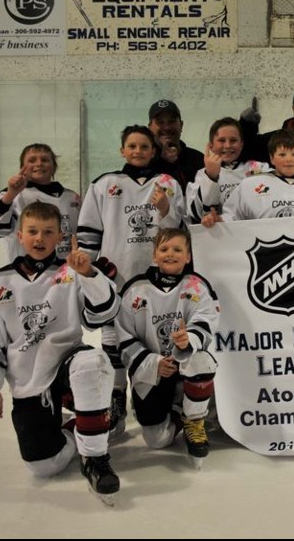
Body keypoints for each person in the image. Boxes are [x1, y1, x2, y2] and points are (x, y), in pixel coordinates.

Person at [0, 202, 121, 502]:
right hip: (30, 378)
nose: (39, 238)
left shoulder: (71, 273)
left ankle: (94, 457)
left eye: (47, 232)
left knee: (93, 362)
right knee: (42, 465)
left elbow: (102, 315)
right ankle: (80, 428)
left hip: (69, 364)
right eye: (32, 231)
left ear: (59, 237)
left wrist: (90, 275)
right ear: (19, 235)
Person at [77, 124, 186, 437]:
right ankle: (116, 401)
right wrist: (88, 272)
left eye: (144, 147)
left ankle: (161, 397)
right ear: (122, 150)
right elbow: (89, 232)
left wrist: (165, 208)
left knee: (152, 339)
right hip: (117, 277)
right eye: (132, 146)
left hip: (155, 278)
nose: (138, 151)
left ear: (154, 151)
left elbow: (177, 230)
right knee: (113, 344)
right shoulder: (104, 184)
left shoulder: (167, 183)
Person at [115, 228, 218, 468]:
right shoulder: (134, 290)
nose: (170, 254)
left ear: (188, 256)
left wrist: (189, 339)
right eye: (164, 249)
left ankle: (193, 419)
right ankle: (178, 410)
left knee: (201, 359)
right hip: (153, 374)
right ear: (154, 255)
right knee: (157, 440)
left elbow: (208, 321)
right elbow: (124, 337)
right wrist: (153, 363)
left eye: (177, 249)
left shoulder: (197, 286)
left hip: (185, 368)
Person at [0, 143, 82, 261]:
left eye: (45, 160)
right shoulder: (14, 195)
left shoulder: (72, 197)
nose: (39, 163)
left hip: (68, 272)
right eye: (32, 160)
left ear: (54, 167)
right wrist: (10, 194)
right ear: (22, 168)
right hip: (28, 273)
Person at [186, 116, 271, 223]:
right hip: (220, 235)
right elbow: (197, 214)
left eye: (233, 140)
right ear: (211, 146)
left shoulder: (259, 168)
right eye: (221, 140)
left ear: (241, 144)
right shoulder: (203, 174)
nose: (228, 145)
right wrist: (211, 177)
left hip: (254, 232)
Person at [148, 99, 206, 189]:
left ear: (181, 125)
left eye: (171, 121)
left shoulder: (199, 160)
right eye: (160, 122)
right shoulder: (145, 163)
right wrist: (163, 163)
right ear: (150, 128)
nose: (166, 127)